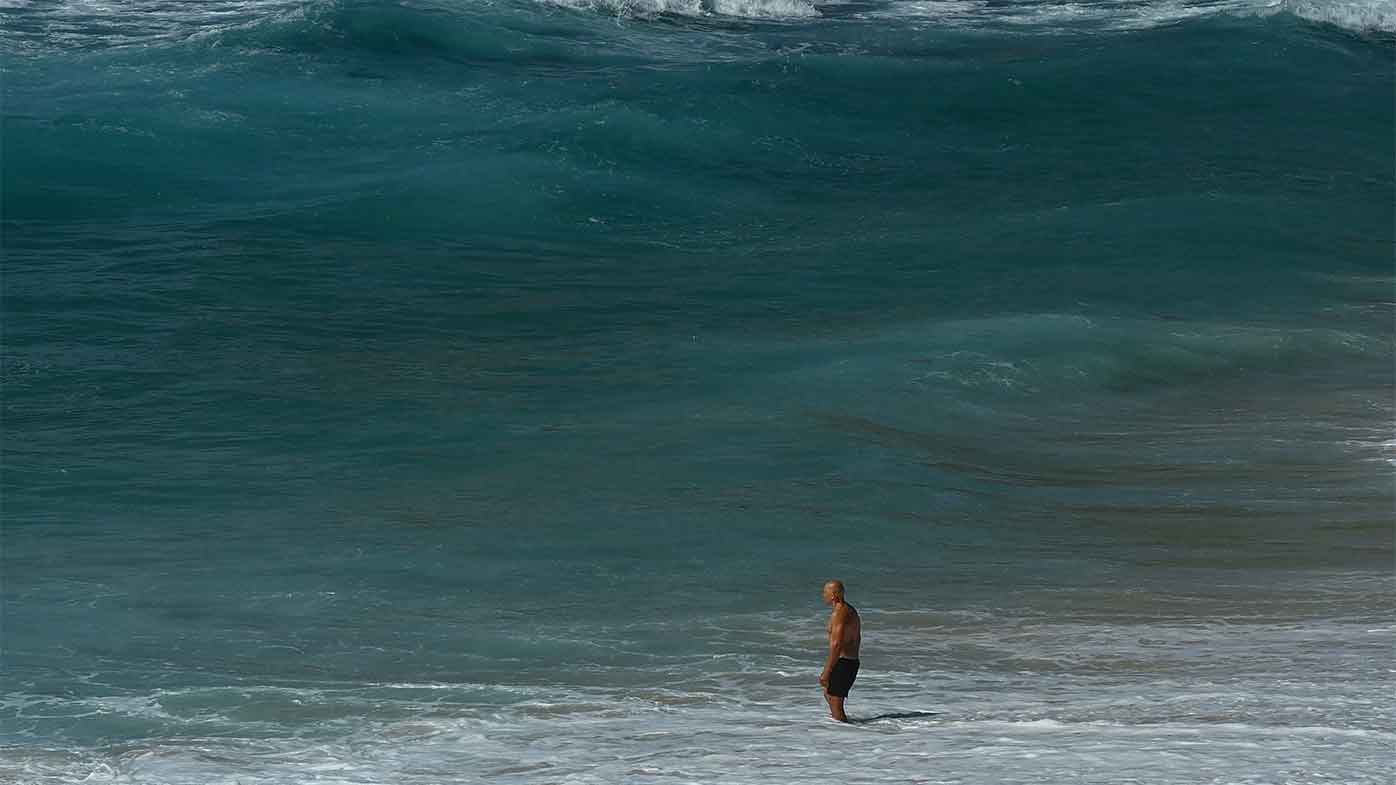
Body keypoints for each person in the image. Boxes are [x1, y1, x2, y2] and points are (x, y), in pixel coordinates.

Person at [818, 579, 861, 722]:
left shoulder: (841, 613)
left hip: (845, 662)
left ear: (834, 595)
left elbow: (836, 644)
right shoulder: (845, 610)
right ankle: (840, 731)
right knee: (828, 693)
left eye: (825, 592)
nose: (823, 594)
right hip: (845, 661)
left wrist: (827, 670)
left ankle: (846, 736)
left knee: (836, 705)